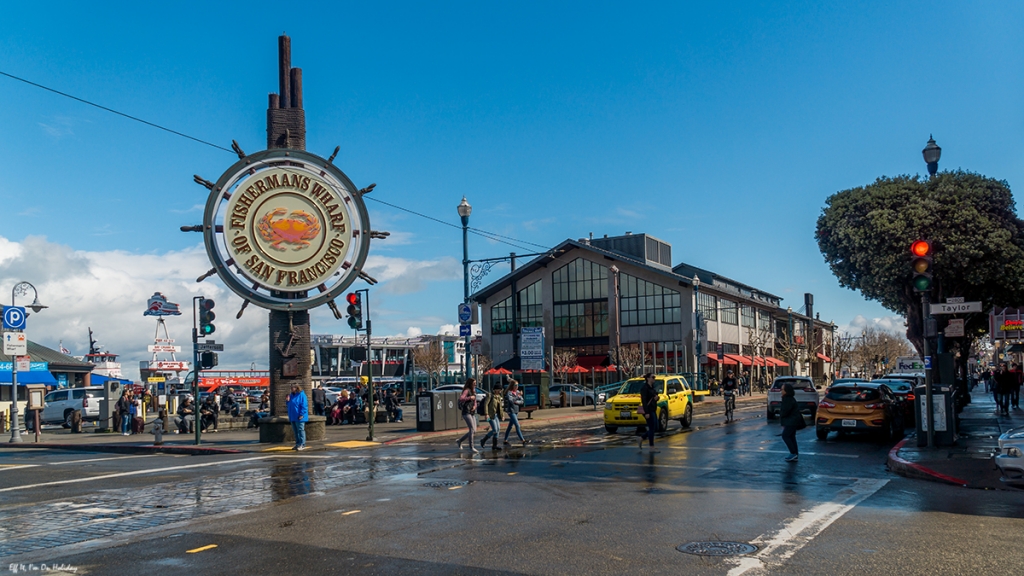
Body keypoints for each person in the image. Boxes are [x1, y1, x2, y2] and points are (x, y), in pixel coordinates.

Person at [779, 383, 804, 462]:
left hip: (791, 421)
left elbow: (785, 411)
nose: (781, 391)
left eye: (782, 389)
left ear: (786, 391)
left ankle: (793, 453)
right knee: (791, 437)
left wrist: (782, 417)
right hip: (793, 420)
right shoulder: (789, 398)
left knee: (785, 436)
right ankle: (794, 454)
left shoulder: (788, 399)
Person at [456, 378, 479, 453]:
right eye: (474, 383)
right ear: (470, 384)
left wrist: (475, 406)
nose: (475, 384)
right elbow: (461, 398)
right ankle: (471, 447)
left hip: (472, 412)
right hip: (466, 412)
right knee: (471, 429)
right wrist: (469, 397)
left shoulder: (474, 391)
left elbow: (475, 401)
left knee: (474, 430)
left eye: (475, 383)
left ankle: (460, 441)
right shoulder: (467, 390)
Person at [479, 383, 505, 450]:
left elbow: (500, 408)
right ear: (495, 390)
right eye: (499, 390)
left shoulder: (498, 396)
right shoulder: (490, 395)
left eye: (501, 390)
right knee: (495, 430)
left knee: (498, 429)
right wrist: (486, 414)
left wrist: (502, 416)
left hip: (496, 415)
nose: (500, 391)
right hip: (490, 415)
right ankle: (483, 440)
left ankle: (494, 445)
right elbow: (486, 405)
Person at [503, 380, 527, 446]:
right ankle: (522, 440)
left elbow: (522, 401)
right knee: (517, 425)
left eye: (517, 385)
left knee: (510, 426)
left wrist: (517, 401)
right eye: (515, 385)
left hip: (516, 410)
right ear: (512, 386)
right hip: (511, 411)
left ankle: (505, 439)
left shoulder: (517, 392)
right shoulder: (509, 392)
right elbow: (511, 400)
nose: (517, 387)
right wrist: (517, 397)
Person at [638, 373, 658, 451]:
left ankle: (641, 438)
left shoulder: (652, 387)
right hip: (648, 410)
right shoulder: (644, 388)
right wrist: (646, 412)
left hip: (653, 409)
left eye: (654, 377)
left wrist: (657, 397)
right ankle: (651, 446)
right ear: (648, 378)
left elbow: (655, 396)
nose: (654, 379)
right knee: (652, 428)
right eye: (653, 377)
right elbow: (644, 401)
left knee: (655, 427)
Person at [287, 384, 309, 451]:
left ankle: (302, 444)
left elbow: (304, 405)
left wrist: (301, 414)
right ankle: (297, 443)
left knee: (300, 430)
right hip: (292, 415)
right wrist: (287, 401)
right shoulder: (291, 395)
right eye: (291, 387)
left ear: (296, 388)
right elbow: (289, 405)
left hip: (299, 416)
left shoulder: (301, 395)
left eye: (293, 387)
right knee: (295, 431)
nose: (291, 389)